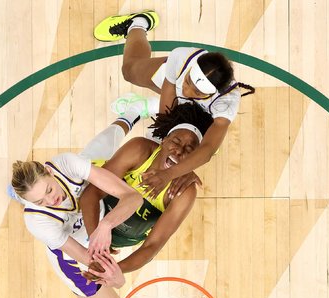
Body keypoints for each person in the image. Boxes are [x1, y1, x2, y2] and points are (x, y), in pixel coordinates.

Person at [9, 103, 151, 298]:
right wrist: (116, 277)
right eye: (40, 201)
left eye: (49, 190)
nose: (52, 200)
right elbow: (88, 260)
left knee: (99, 153)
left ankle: (129, 113)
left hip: (90, 216)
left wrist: (106, 225)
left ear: (50, 172)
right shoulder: (39, 223)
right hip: (74, 257)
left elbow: (132, 198)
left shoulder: (66, 164)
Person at [93, 10, 255, 198]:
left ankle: (144, 106)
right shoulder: (182, 57)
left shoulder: (226, 103)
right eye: (188, 82)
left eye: (197, 92)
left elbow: (208, 149)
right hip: (174, 90)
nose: (187, 92)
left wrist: (172, 171)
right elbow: (170, 91)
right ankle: (138, 23)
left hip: (200, 120)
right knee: (129, 71)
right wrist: (162, 133)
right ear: (191, 69)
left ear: (212, 93)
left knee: (189, 148)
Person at [80, 100, 214, 280]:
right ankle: (133, 111)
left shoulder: (184, 192)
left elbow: (153, 245)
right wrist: (96, 243)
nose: (179, 151)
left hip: (119, 235)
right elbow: (91, 194)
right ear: (164, 140)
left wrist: (112, 269)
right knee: (104, 142)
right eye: (175, 141)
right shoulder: (139, 150)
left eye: (189, 150)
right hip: (92, 186)